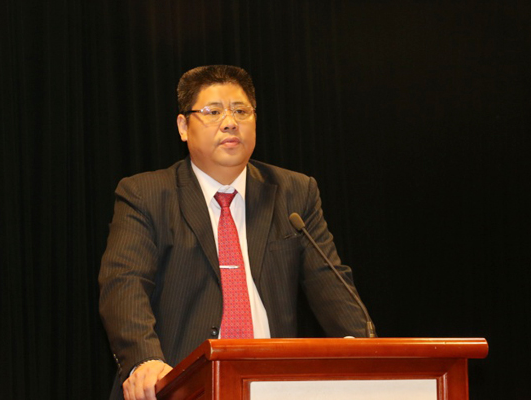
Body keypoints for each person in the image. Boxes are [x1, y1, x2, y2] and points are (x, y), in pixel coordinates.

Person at [99, 65, 373, 400]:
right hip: (179, 386)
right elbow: (124, 284)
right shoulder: (146, 194)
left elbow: (329, 282)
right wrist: (145, 360)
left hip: (273, 386)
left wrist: (369, 354)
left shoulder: (294, 193)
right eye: (213, 112)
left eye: (241, 111)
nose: (230, 122)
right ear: (183, 127)